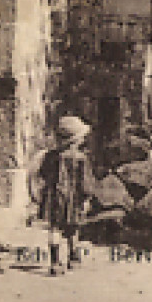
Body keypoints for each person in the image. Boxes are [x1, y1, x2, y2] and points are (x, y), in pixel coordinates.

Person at [31, 115, 94, 275]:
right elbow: (85, 182)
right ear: (76, 140)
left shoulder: (50, 156)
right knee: (73, 228)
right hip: (73, 197)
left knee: (55, 228)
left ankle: (55, 263)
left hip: (53, 196)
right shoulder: (81, 158)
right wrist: (86, 198)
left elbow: (43, 174)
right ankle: (73, 258)